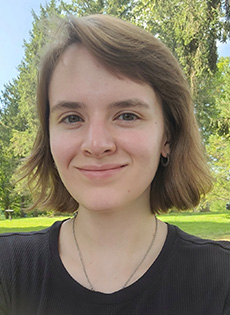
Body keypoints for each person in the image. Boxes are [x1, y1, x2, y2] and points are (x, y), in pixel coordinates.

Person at [0, 14, 229, 315]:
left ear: (167, 136)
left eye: (127, 115)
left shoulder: (222, 278)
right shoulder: (7, 267)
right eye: (72, 118)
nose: (96, 145)